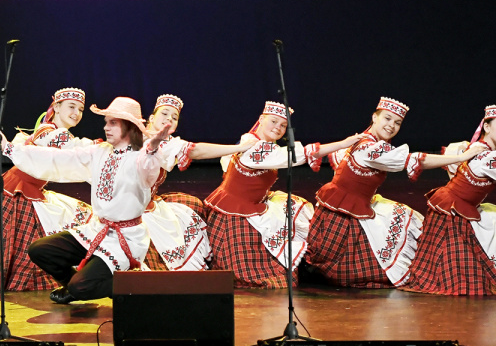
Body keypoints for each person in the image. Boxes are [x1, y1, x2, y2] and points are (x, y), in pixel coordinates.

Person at [0, 97, 170, 304]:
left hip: (125, 238)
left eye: (113, 123)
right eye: (106, 122)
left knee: (80, 286)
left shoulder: (141, 157)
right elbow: (59, 158)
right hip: (97, 230)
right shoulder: (100, 151)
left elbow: (148, 169)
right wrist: (9, 148)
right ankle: (77, 286)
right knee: (40, 250)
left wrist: (152, 150)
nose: (106, 127)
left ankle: (135, 286)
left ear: (129, 126)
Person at [304, 97, 480, 288]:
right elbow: (416, 160)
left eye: (397, 122)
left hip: (347, 207)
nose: (391, 126)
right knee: (382, 254)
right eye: (387, 119)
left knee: (406, 217)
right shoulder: (369, 148)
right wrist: (461, 157)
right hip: (343, 217)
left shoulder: (362, 140)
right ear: (375, 117)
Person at [0, 88, 94, 291]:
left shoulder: (48, 130)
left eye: (80, 109)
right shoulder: (50, 133)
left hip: (24, 188)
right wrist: (107, 147)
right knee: (21, 237)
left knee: (19, 237)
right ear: (56, 107)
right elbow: (78, 149)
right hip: (21, 190)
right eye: (71, 107)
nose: (76, 113)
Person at [202, 101, 359, 288]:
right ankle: (311, 263)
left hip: (256, 202)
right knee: (259, 265)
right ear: (261, 119)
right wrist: (343, 143)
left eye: (283, 125)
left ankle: (310, 260)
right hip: (237, 212)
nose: (278, 127)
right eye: (274, 121)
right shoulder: (254, 148)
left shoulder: (252, 140)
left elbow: (228, 162)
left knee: (299, 209)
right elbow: (295, 155)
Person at [136, 94, 255, 271]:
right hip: (130, 210)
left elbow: (194, 149)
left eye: (174, 117)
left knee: (192, 206)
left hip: (148, 204)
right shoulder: (137, 138)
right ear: (151, 118)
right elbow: (196, 150)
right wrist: (239, 148)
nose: (169, 119)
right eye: (164, 113)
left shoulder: (167, 143)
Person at [402, 105, 496, 295]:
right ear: (486, 127)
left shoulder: (477, 147)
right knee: (467, 279)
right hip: (453, 215)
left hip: (451, 207)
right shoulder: (487, 157)